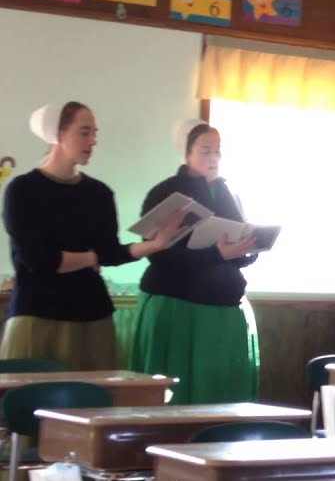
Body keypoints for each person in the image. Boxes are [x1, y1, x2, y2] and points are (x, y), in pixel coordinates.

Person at [2, 102, 180, 370]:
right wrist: (93, 257)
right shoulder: (23, 190)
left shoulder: (99, 193)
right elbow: (39, 260)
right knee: (30, 405)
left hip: (92, 315)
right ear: (58, 135)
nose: (93, 141)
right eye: (84, 132)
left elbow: (111, 252)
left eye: (94, 133)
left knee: (95, 403)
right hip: (37, 314)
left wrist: (156, 244)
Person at [131, 119, 262, 403]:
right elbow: (157, 252)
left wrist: (247, 249)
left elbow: (232, 253)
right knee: (181, 390)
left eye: (218, 150)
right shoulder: (166, 192)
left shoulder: (229, 192)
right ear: (187, 153)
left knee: (220, 392)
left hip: (225, 307)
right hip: (180, 307)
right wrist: (216, 254)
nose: (214, 157)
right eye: (205, 150)